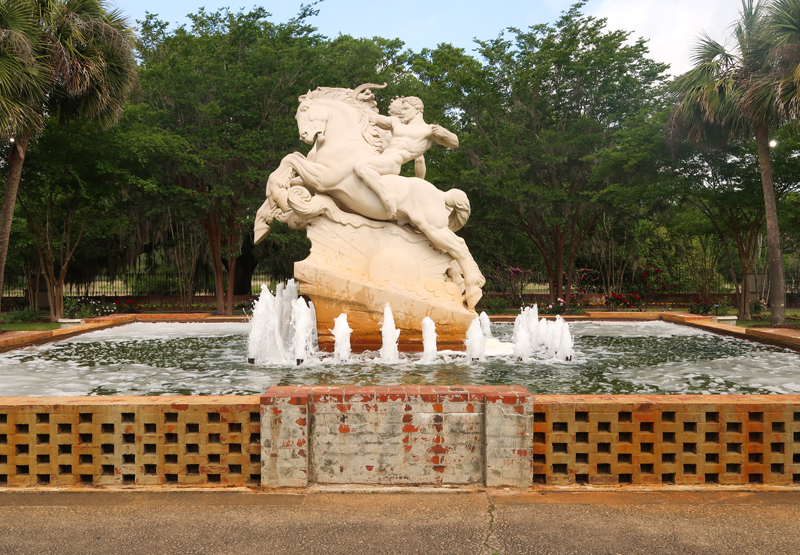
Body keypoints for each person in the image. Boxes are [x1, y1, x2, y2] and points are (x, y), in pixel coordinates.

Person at [354, 96, 459, 219]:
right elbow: (373, 117)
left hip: (393, 162)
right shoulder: (396, 122)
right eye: (402, 109)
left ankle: (387, 198)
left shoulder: (429, 130)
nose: (402, 112)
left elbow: (454, 142)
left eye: (406, 109)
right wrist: (351, 103)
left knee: (360, 167)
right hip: (383, 157)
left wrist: (446, 133)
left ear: (418, 109)